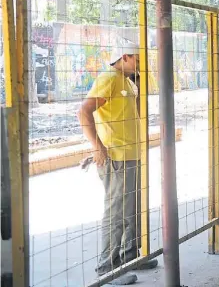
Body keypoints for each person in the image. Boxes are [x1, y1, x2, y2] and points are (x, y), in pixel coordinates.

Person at [77, 41, 157, 284]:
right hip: (117, 158)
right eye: (138, 60)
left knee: (132, 208)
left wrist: (140, 81)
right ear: (125, 57)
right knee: (117, 212)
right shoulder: (109, 78)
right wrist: (96, 147)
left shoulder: (127, 80)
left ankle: (130, 256)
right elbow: (83, 112)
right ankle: (107, 268)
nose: (142, 65)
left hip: (131, 154)